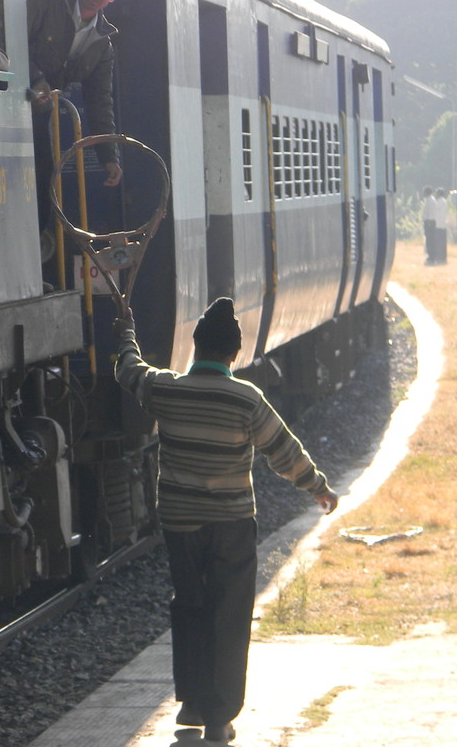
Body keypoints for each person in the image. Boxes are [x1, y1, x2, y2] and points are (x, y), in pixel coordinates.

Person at [113, 299, 339, 744]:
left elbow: (129, 370)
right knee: (229, 615)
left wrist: (126, 333)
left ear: (196, 346)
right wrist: (317, 486)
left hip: (181, 524)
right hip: (231, 523)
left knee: (190, 605)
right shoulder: (246, 399)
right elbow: (283, 450)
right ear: (235, 355)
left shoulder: (166, 389)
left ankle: (192, 704)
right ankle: (219, 717)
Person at [27, 0, 125, 191]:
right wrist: (35, 78)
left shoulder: (103, 44)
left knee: (45, 179)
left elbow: (100, 101)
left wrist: (109, 157)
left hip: (40, 110)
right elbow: (7, 42)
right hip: (7, 98)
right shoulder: (43, 0)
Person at [432, 187, 451, 264]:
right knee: (441, 243)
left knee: (439, 243)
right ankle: (441, 258)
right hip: (441, 225)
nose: (435, 194)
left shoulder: (440, 202)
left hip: (439, 225)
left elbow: (436, 213)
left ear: (439, 194)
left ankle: (440, 258)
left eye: (436, 192)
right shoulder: (443, 201)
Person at [422, 186, 437, 265]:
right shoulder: (428, 200)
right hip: (428, 222)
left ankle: (432, 257)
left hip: (430, 222)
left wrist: (429, 223)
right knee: (428, 240)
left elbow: (431, 213)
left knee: (430, 240)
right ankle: (430, 255)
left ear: (427, 193)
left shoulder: (431, 201)